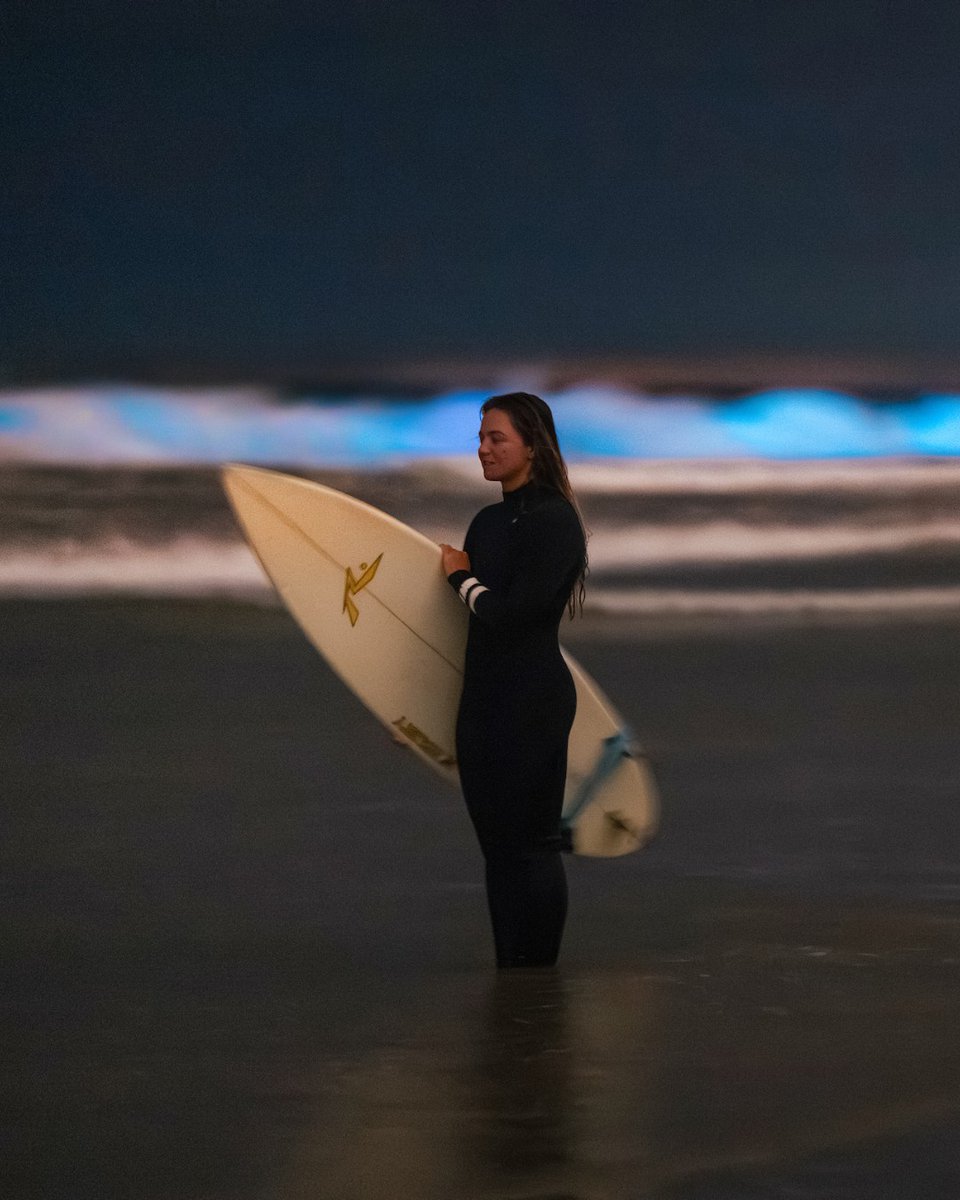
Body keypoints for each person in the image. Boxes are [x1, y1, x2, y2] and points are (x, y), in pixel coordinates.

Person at [440, 393, 588, 968]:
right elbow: (469, 634)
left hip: (531, 701)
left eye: (496, 438)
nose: (483, 450)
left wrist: (459, 578)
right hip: (481, 703)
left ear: (532, 444)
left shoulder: (555, 522)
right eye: (480, 438)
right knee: (497, 851)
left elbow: (508, 614)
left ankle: (538, 974)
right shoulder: (487, 521)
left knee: (532, 846)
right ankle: (514, 971)